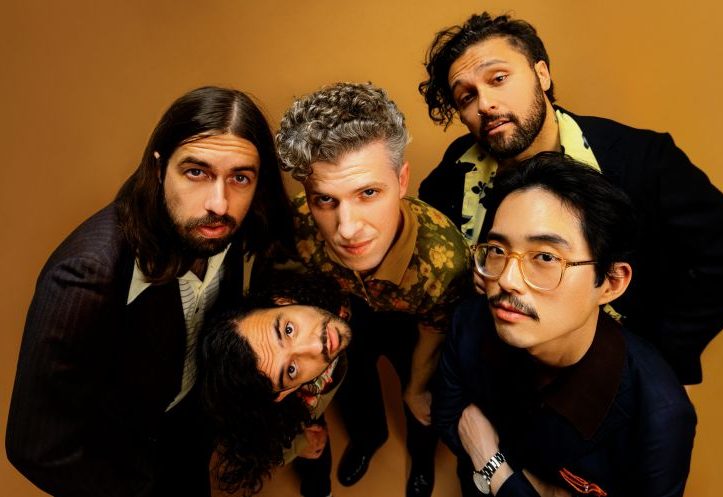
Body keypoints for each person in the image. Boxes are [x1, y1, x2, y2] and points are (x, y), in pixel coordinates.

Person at [418, 12, 723, 385]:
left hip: (607, 381)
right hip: (500, 379)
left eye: (499, 79)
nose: (485, 103)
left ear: (541, 74)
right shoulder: (453, 174)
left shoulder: (642, 159)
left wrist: (652, 357)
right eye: (466, 96)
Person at [6, 86, 293, 497]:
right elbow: (34, 446)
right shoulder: (86, 275)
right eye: (196, 172)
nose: (219, 202)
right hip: (120, 460)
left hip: (187, 429)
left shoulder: (224, 223)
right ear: (159, 169)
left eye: (240, 177)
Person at [434, 152, 697, 497]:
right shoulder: (472, 321)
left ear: (610, 283)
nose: (507, 280)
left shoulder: (660, 416)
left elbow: (474, 436)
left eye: (545, 257)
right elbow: (448, 416)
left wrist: (494, 464)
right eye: (497, 250)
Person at [276, 82, 472, 497]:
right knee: (355, 385)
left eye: (368, 193)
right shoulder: (297, 224)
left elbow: (435, 332)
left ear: (401, 181)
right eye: (325, 200)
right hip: (347, 313)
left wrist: (416, 387)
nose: (346, 229)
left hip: (415, 324)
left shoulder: (445, 260)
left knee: (422, 401)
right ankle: (368, 440)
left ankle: (421, 464)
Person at [201, 271, 352, 497]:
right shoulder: (279, 414)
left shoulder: (317, 282)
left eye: (288, 330)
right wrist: (299, 444)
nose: (316, 346)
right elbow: (266, 444)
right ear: (286, 392)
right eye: (290, 370)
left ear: (283, 301)